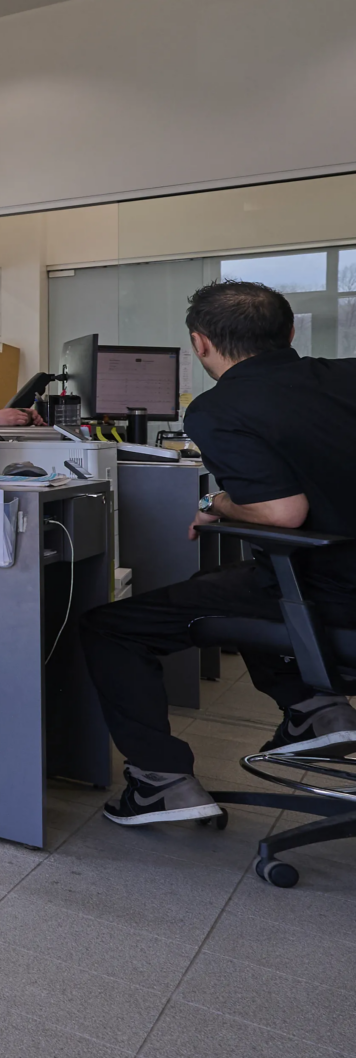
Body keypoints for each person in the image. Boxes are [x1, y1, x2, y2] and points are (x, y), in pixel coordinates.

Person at [79, 280, 356, 825]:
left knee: (109, 627)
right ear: (290, 334)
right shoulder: (347, 375)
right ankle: (314, 711)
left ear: (200, 343)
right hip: (334, 582)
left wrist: (215, 502)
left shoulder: (218, 408)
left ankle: (159, 782)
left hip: (335, 598)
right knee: (227, 584)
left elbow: (281, 513)